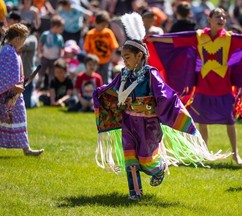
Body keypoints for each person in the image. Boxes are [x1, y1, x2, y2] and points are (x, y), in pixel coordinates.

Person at [93, 12, 230, 201]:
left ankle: (159, 168)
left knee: (146, 159)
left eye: (127, 57)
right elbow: (114, 89)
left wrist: (151, 108)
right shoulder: (125, 73)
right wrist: (102, 92)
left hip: (148, 125)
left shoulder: (150, 74)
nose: (124, 61)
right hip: (129, 122)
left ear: (139, 55)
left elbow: (165, 96)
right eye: (123, 57)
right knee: (130, 159)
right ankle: (135, 194)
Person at [146, 8, 242, 165]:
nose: (221, 18)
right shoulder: (199, 36)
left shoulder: (229, 38)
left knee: (230, 121)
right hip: (203, 86)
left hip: (224, 87)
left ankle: (236, 154)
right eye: (217, 16)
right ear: (209, 20)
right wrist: (155, 40)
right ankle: (204, 152)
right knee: (202, 122)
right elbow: (176, 40)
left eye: (223, 16)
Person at [0, 23, 44, 156]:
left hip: (14, 94)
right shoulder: (8, 51)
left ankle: (26, 149)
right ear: (18, 38)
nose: (24, 43)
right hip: (8, 95)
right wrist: (15, 87)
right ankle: (27, 149)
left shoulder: (11, 50)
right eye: (24, 39)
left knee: (20, 119)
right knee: (7, 119)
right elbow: (4, 75)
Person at [83, 10, 119, 84]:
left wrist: (111, 58)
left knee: (106, 79)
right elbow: (86, 49)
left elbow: (114, 46)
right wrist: (90, 60)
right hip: (94, 62)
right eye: (102, 25)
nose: (104, 27)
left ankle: (106, 93)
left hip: (106, 61)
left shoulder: (108, 32)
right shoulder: (90, 34)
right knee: (94, 79)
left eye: (105, 25)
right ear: (95, 23)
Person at [37, 15, 64, 90]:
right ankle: (38, 86)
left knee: (52, 74)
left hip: (54, 59)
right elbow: (40, 44)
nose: (61, 30)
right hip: (45, 56)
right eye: (60, 28)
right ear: (55, 26)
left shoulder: (60, 37)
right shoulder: (45, 34)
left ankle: (50, 88)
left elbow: (61, 48)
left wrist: (60, 58)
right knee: (41, 72)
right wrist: (39, 53)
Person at [20, 21, 39, 108]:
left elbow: (24, 45)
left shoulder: (32, 39)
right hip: (17, 75)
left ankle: (35, 99)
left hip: (28, 75)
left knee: (27, 104)